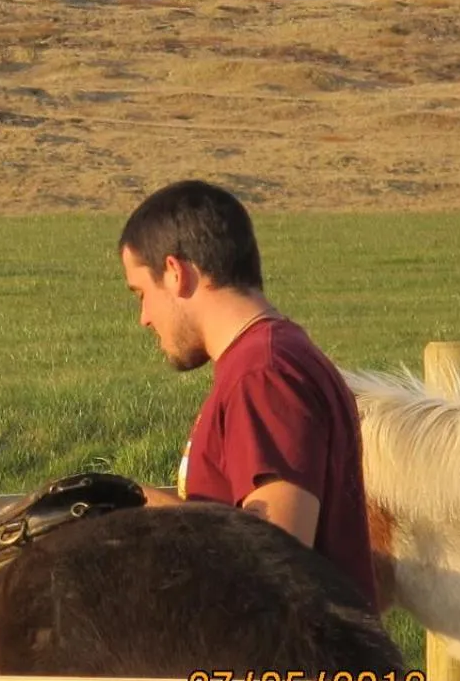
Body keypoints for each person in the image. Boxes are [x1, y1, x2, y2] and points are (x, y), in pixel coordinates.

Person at [117, 179, 379, 609]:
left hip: (293, 672)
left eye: (141, 293)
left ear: (177, 273)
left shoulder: (264, 372)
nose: (144, 317)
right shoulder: (272, 357)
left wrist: (132, 507)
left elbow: (274, 552)